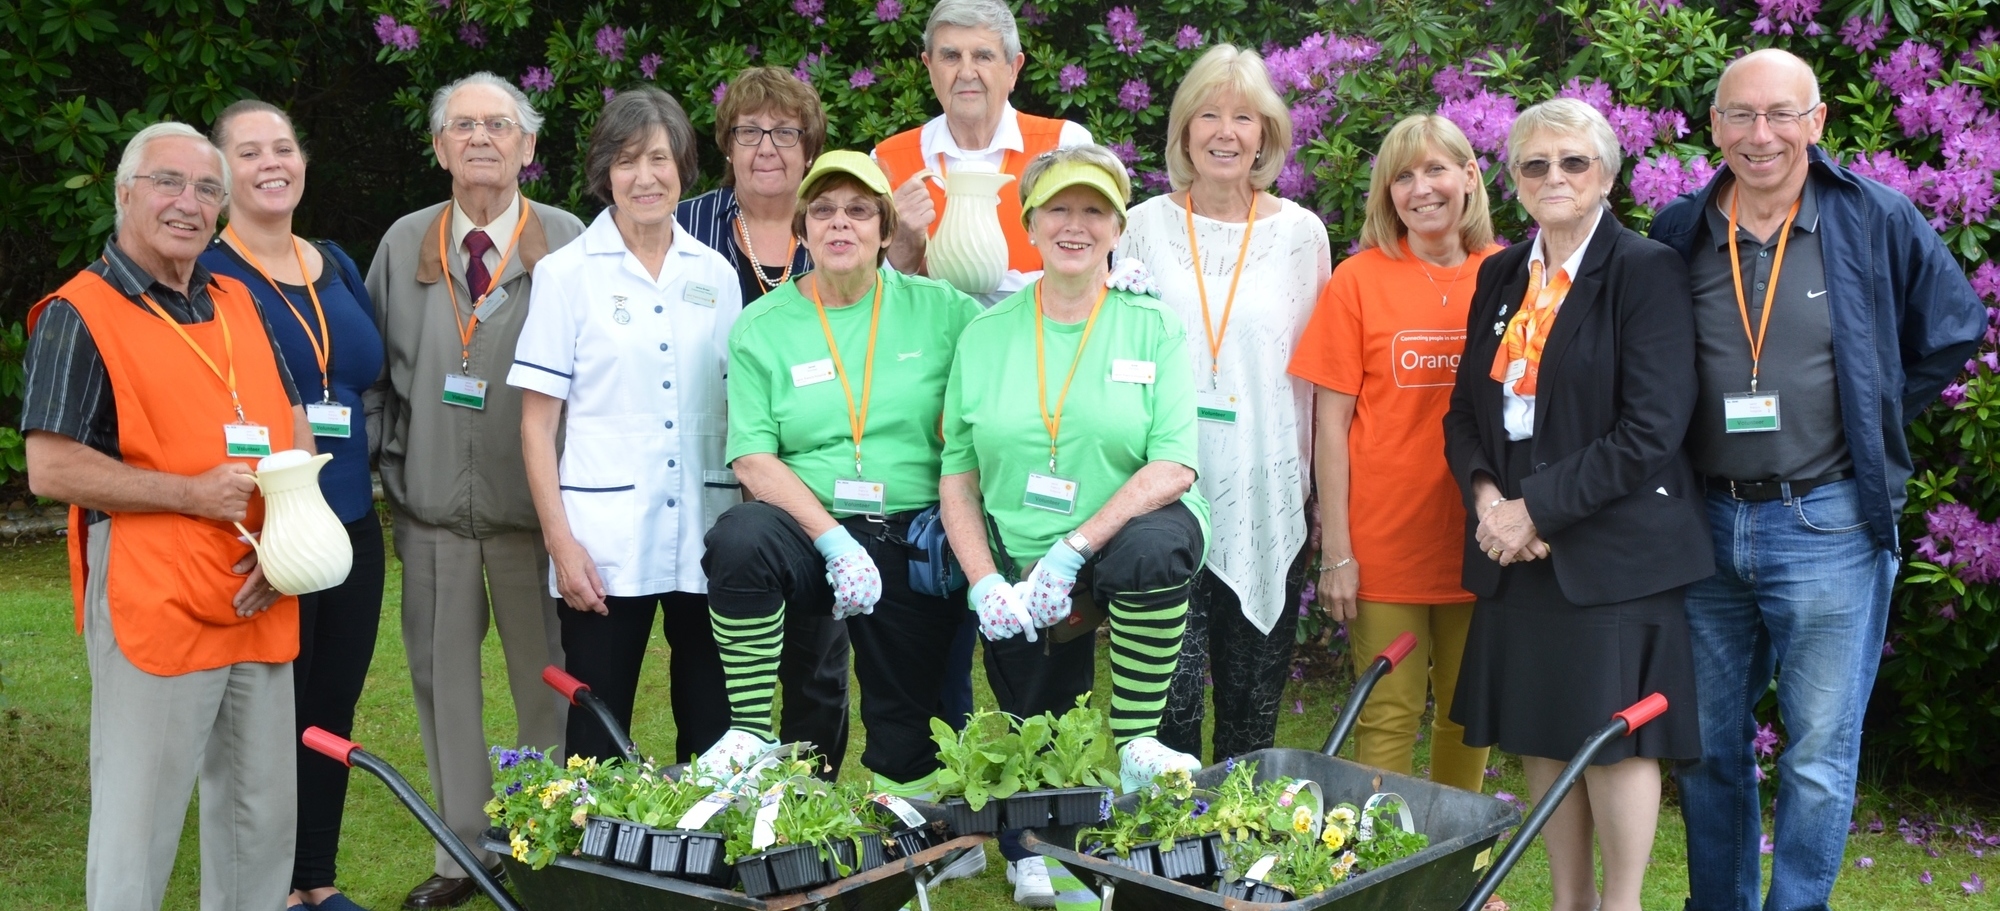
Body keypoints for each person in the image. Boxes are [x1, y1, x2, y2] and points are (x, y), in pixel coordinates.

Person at [1648, 49, 1985, 911]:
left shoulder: (1875, 218)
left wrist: (1870, 411)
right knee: (1710, 749)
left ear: (1819, 122)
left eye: (1781, 114)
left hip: (1828, 521)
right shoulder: (1678, 229)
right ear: (1714, 125)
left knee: (1819, 755)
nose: (1761, 136)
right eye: (1741, 115)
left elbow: (1951, 326)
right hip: (1706, 525)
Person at [23, 121, 312, 911]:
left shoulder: (238, 301)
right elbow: (49, 466)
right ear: (124, 193)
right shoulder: (78, 313)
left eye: (207, 189)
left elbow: (294, 418)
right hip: (154, 600)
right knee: (138, 827)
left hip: (258, 589)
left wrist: (283, 540)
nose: (189, 202)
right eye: (168, 183)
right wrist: (187, 493)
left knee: (260, 821)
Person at [1441, 98, 1710, 911]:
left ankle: (1620, 904)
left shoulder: (1645, 269)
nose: (1554, 177)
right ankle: (1570, 900)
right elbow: (1462, 414)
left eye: (1573, 162)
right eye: (1535, 164)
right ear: (1514, 181)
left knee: (1616, 737)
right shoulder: (1499, 272)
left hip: (1612, 547)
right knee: (1543, 726)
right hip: (1514, 541)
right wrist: (1491, 501)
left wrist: (1538, 510)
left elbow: (1653, 428)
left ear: (1606, 175)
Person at [939, 144, 1208, 908]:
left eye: (1094, 210)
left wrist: (1075, 546)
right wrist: (987, 579)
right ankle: (1041, 849)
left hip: (1126, 533)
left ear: (1118, 226)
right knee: (1041, 711)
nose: (1076, 225)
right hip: (1021, 552)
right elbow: (956, 474)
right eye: (1059, 207)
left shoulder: (1150, 326)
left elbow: (1174, 466)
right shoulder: (985, 335)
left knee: (1150, 552)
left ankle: (1137, 745)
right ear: (1029, 222)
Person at [694, 152, 981, 807]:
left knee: (911, 733)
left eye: (859, 210)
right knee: (741, 537)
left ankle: (913, 830)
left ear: (886, 231)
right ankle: (748, 731)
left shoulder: (945, 311)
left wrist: (1111, 284)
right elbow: (752, 458)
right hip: (809, 527)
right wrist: (833, 539)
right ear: (802, 229)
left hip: (915, 527)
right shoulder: (762, 325)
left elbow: (1024, 351)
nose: (840, 223)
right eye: (822, 210)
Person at [365, 72, 585, 909]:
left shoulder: (569, 241)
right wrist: (398, 478)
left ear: (529, 146)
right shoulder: (403, 242)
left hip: (536, 520)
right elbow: (378, 375)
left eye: (501, 124)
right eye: (464, 126)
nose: (482, 139)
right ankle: (459, 853)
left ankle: (536, 844)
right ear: (439, 147)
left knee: (545, 685)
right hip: (432, 521)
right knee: (442, 684)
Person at [1116, 44, 1330, 764]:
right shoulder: (1139, 227)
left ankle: (1238, 854)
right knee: (1166, 703)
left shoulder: (1302, 236)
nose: (1225, 131)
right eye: (1208, 113)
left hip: (1266, 486)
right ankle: (1166, 858)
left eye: (1244, 116)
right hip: (1160, 489)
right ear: (1183, 131)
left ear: (1266, 135)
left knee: (1251, 705)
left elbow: (1317, 378)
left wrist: (1324, 496)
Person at [509, 87, 736, 766]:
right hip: (603, 539)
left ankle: (710, 855)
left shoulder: (716, 274)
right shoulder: (565, 275)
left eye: (660, 159)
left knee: (713, 719)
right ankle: (597, 864)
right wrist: (561, 541)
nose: (646, 177)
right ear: (605, 171)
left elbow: (739, 408)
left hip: (707, 527)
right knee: (598, 729)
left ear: (683, 168)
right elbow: (535, 422)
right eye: (628, 160)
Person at [201, 100, 387, 911]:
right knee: (269, 718)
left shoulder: (336, 262)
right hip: (274, 523)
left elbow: (358, 377)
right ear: (220, 173)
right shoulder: (210, 273)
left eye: (284, 147)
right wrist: (269, 532)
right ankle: (271, 889)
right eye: (250, 151)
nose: (272, 162)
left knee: (330, 710)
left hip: (349, 521)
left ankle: (317, 879)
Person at [1288, 114, 1496, 795]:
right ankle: (1382, 877)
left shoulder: (1509, 274)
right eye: (1402, 176)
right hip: (1385, 546)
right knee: (1387, 715)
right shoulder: (1358, 280)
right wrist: (1338, 551)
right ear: (1386, 194)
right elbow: (1330, 426)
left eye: (1436, 169)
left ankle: (1465, 873)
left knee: (1471, 720)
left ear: (1469, 176)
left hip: (1483, 540)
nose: (1421, 188)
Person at [676, 67, 854, 774]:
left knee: (817, 664)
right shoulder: (689, 227)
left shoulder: (838, 229)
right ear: (728, 145)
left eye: (786, 131)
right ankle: (718, 798)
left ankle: (810, 806)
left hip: (814, 486)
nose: (768, 146)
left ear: (810, 145)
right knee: (716, 657)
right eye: (750, 131)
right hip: (708, 473)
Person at [874, 0, 1092, 304]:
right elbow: (868, 295)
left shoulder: (1065, 145)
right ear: (929, 67)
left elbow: (1097, 263)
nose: (966, 72)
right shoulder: (887, 160)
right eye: (950, 56)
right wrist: (901, 251)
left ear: (1014, 68)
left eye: (983, 56)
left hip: (1037, 341)